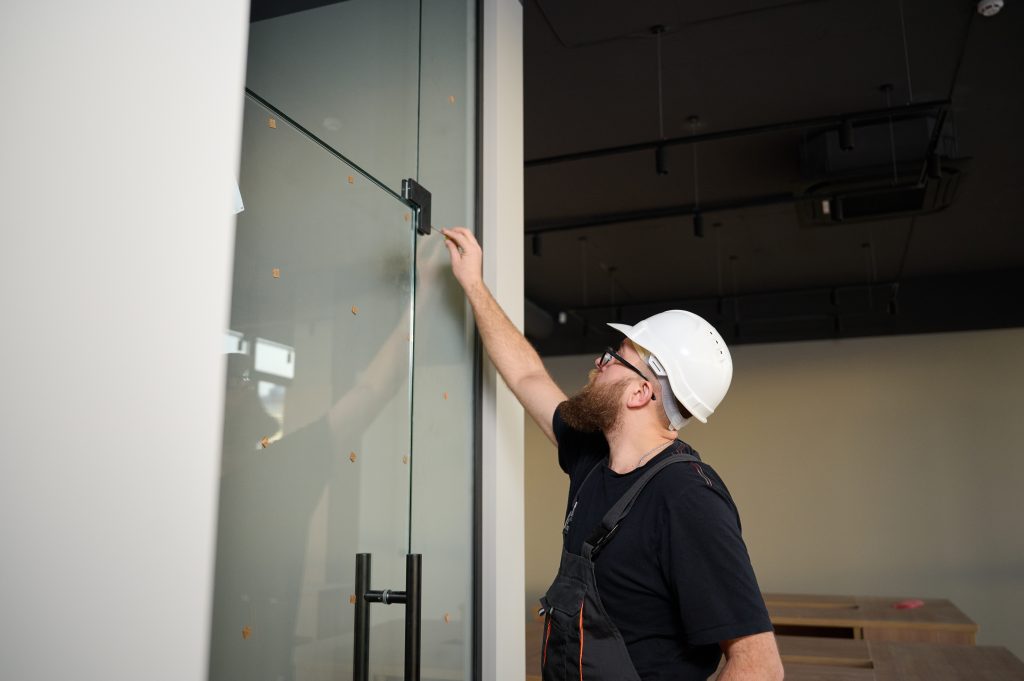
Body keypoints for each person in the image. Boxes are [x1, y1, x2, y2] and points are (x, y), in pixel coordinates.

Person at [442, 227, 784, 681]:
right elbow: (527, 377)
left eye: (613, 357)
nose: (597, 364)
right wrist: (474, 285)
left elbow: (759, 666)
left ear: (642, 392)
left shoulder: (687, 498)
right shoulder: (593, 456)